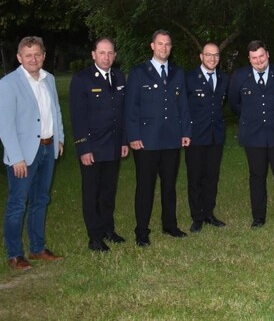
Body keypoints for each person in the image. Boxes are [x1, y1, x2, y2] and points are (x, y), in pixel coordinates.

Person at [0, 36, 65, 270]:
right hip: (23, 156)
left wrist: (60, 139)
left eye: (37, 54)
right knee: (18, 204)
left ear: (44, 56)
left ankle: (37, 249)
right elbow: (5, 125)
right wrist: (16, 157)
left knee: (41, 201)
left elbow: (56, 110)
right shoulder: (8, 84)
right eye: (28, 55)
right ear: (19, 58)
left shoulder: (50, 80)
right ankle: (15, 254)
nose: (33, 59)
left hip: (47, 148)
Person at [125, 30, 191, 246]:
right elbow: (131, 106)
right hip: (146, 140)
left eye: (168, 44)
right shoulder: (138, 72)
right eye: (160, 44)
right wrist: (133, 135)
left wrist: (185, 132)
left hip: (171, 139)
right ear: (152, 46)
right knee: (145, 187)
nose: (164, 48)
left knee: (169, 185)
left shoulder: (177, 73)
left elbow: (183, 106)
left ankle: (169, 225)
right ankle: (141, 231)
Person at [228, 40, 274, 228]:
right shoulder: (240, 75)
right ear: (249, 59)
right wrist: (251, 116)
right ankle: (258, 217)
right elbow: (234, 102)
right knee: (257, 176)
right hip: (253, 135)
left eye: (261, 56)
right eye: (254, 58)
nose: (258, 61)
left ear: (267, 54)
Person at [69, 37, 129, 252]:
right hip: (92, 148)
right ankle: (94, 237)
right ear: (93, 54)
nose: (106, 57)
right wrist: (83, 147)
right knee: (92, 193)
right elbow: (77, 117)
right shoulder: (82, 79)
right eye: (102, 53)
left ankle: (108, 230)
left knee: (108, 192)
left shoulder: (119, 77)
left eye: (110, 53)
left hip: (113, 146)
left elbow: (122, 114)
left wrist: (123, 141)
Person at [185, 42, 229, 232]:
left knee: (212, 177)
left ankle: (209, 213)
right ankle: (197, 217)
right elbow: (183, 109)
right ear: (201, 57)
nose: (212, 59)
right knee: (195, 178)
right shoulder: (189, 78)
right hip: (195, 137)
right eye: (208, 55)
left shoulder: (223, 78)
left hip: (216, 136)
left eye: (216, 55)